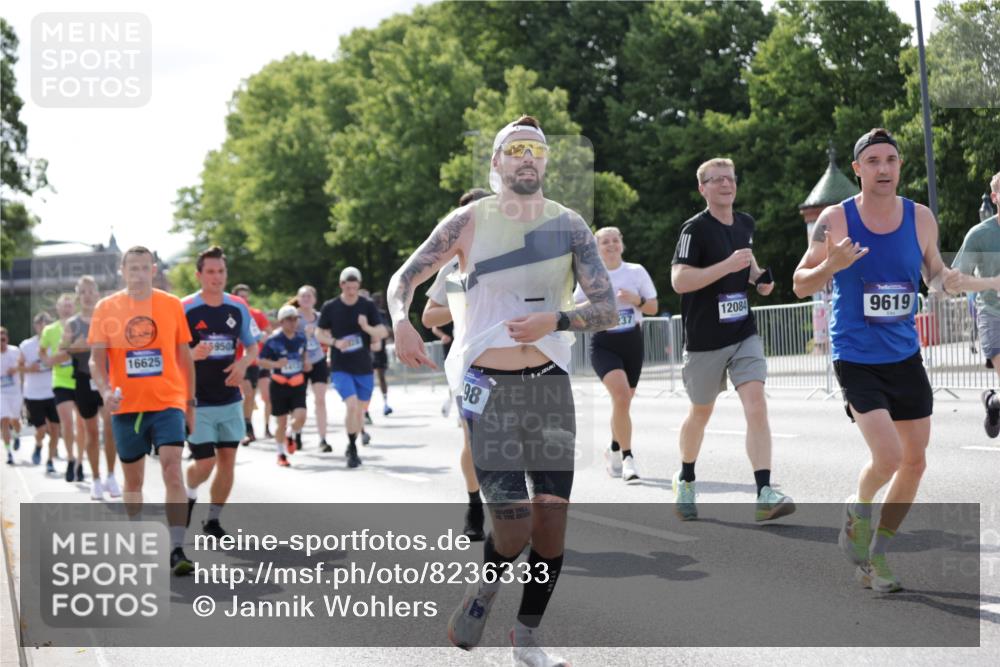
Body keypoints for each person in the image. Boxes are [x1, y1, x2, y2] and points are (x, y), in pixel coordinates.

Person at [389, 115, 615, 666]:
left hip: (548, 385)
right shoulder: (467, 221)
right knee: (512, 527)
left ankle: (527, 638)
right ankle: (484, 590)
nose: (526, 158)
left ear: (545, 162)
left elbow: (607, 308)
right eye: (514, 150)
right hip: (485, 386)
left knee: (552, 522)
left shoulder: (570, 226)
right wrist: (401, 319)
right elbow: (405, 278)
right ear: (496, 163)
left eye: (535, 150)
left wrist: (556, 321)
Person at [792, 128, 959, 593]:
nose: (884, 168)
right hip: (856, 355)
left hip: (905, 354)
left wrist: (951, 280)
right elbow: (800, 283)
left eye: (891, 159)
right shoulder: (835, 220)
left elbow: (935, 276)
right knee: (888, 455)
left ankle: (877, 554)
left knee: (916, 463)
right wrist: (831, 265)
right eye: (874, 161)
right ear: (858, 170)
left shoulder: (920, 218)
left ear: (899, 166)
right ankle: (858, 505)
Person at [670, 157, 794, 524]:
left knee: (756, 404)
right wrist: (725, 267)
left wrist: (759, 279)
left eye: (731, 178)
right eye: (717, 179)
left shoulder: (745, 223)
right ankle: (686, 478)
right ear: (702, 188)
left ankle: (764, 492)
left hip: (743, 332)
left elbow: (747, 261)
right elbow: (679, 280)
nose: (726, 184)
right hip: (705, 340)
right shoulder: (694, 229)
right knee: (700, 413)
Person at [88, 246, 198, 576]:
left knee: (171, 469)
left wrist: (190, 403)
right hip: (127, 407)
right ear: (123, 271)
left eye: (144, 267)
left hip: (168, 402)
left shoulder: (170, 304)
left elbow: (185, 356)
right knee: (133, 480)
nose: (138, 272)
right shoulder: (107, 307)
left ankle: (177, 547)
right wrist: (105, 391)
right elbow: (96, 359)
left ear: (153, 270)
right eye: (132, 267)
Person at [422, 187, 491, 541]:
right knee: (475, 438)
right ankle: (474, 506)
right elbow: (428, 314)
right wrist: (463, 300)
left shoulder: (513, 253)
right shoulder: (452, 262)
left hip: (514, 357)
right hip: (470, 363)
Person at [182, 247, 259, 539]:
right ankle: (189, 492)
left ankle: (212, 521)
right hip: (197, 400)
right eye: (211, 272)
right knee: (205, 462)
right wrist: (191, 354)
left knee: (227, 459)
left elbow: (252, 346)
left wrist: (242, 363)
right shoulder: (185, 308)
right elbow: (171, 353)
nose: (217, 277)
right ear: (199, 275)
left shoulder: (238, 306)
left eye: (221, 272)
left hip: (229, 398)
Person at [575, 226, 657, 484]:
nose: (610, 245)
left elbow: (654, 307)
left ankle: (612, 448)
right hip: (604, 344)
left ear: (622, 244)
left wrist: (636, 300)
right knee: (621, 396)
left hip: (632, 341)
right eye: (605, 242)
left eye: (614, 241)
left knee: (623, 403)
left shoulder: (636, 271)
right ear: (597, 249)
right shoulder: (590, 275)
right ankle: (628, 458)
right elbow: (574, 312)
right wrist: (597, 302)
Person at [316, 267, 388, 466]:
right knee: (352, 404)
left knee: (359, 411)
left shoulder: (367, 305)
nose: (351, 292)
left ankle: (352, 442)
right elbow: (318, 333)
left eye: (355, 288)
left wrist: (367, 328)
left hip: (364, 367)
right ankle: (352, 447)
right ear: (341, 285)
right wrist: (334, 343)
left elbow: (382, 332)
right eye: (348, 288)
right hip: (341, 367)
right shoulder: (331, 306)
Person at [60, 275, 121, 500]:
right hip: (84, 383)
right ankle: (95, 479)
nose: (87, 295)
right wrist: (72, 347)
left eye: (90, 291)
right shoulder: (72, 323)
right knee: (92, 433)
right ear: (78, 296)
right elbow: (61, 350)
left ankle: (112, 476)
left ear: (97, 293)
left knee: (111, 429)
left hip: (106, 380)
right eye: (82, 292)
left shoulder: (107, 318)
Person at [950, 171, 1000, 437]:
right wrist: (992, 282)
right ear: (995, 197)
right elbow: (956, 280)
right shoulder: (979, 235)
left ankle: (993, 403)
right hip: (993, 315)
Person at [258, 305, 311, 467]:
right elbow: (261, 361)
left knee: (301, 416)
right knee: (281, 422)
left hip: (297, 383)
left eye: (295, 319)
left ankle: (290, 433)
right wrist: (275, 363)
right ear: (281, 322)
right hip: (279, 384)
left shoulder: (301, 337)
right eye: (289, 319)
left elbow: (304, 355)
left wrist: (306, 362)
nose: (293, 322)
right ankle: (281, 453)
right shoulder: (273, 340)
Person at [39, 293, 81, 482]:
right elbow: (42, 350)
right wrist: (47, 360)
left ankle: (80, 460)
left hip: (80, 379)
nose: (66, 308)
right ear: (57, 308)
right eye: (63, 305)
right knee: (67, 423)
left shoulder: (81, 326)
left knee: (82, 425)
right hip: (61, 381)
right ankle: (71, 459)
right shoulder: (49, 329)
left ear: (74, 307)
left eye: (70, 305)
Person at [20, 312, 61, 472]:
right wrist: (30, 368)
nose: (43, 327)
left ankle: (50, 461)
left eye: (46, 324)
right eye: (40, 324)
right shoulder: (26, 345)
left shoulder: (57, 344)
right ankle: (38, 445)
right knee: (42, 430)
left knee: (56, 429)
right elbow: (18, 367)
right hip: (34, 394)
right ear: (35, 326)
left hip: (54, 392)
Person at [232, 284, 271, 445]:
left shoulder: (255, 314)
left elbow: (268, 332)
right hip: (237, 360)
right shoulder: (231, 313)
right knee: (246, 392)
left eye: (246, 296)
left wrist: (260, 336)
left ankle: (247, 424)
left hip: (253, 360)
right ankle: (244, 427)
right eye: (241, 296)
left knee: (250, 396)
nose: (244, 299)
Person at [293, 285, 329, 451]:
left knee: (320, 399)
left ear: (314, 299)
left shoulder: (321, 317)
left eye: (309, 296)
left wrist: (328, 355)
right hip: (298, 363)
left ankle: (323, 439)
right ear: (298, 299)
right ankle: (297, 433)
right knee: (300, 400)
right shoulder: (293, 318)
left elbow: (328, 337)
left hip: (318, 360)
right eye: (303, 296)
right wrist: (304, 336)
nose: (306, 299)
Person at [369, 291, 394, 416]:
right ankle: (365, 409)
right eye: (376, 300)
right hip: (368, 350)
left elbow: (388, 331)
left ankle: (385, 403)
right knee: (367, 378)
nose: (378, 303)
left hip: (381, 350)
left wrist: (385, 332)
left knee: (382, 377)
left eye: (380, 301)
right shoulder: (366, 314)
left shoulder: (382, 315)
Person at [1, 327, 22, 465]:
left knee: (15, 420)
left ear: (7, 339)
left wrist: (15, 369)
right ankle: (8, 453)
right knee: (4, 420)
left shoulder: (15, 351)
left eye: (3, 339)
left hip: (15, 392)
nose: (1, 342)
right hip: (1, 393)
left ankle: (17, 435)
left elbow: (23, 366)